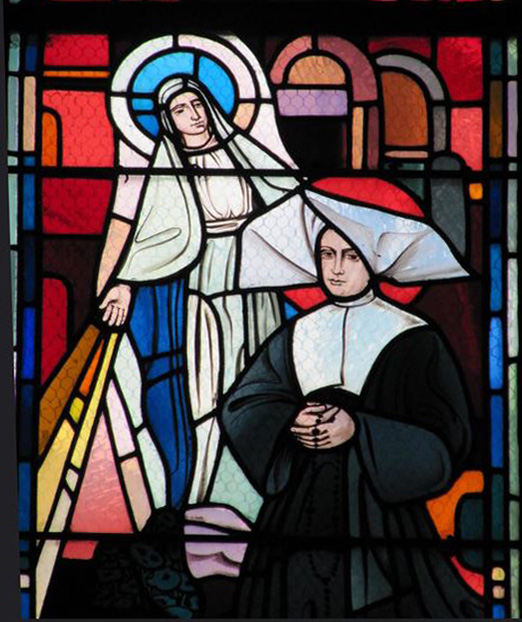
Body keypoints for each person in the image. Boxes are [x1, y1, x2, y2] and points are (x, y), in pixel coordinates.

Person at [219, 188, 484, 617]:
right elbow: (244, 404)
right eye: (327, 255)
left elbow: (446, 436)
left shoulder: (413, 337)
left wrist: (361, 430)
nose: (336, 268)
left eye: (350, 256)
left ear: (373, 261)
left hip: (380, 514)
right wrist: (290, 419)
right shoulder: (297, 333)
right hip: (296, 509)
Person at [96, 76, 302, 514]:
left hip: (256, 285)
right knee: (208, 385)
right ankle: (204, 489)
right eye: (180, 110)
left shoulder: (242, 154)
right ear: (168, 121)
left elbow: (289, 203)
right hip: (206, 285)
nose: (193, 115)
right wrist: (125, 281)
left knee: (261, 377)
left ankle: (264, 492)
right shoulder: (170, 169)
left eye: (197, 104)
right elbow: (151, 237)